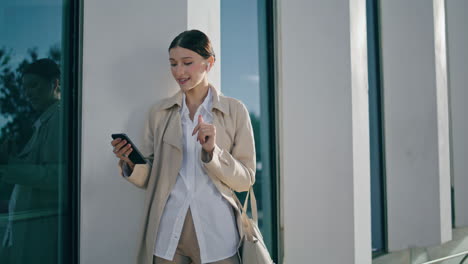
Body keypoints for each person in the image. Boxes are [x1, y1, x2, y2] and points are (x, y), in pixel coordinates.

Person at [111, 30, 256, 264]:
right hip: (168, 230)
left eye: (187, 63)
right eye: (173, 64)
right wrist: (130, 163)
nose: (179, 71)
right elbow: (151, 177)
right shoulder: (159, 113)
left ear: (209, 63)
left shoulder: (235, 111)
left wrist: (213, 153)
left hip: (217, 234)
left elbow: (246, 180)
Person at [0, 58, 62, 263]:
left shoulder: (60, 117)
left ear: (54, 83)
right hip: (25, 232)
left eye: (34, 85)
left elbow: (61, 176)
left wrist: (10, 168)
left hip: (41, 236)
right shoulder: (43, 122)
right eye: (25, 88)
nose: (28, 93)